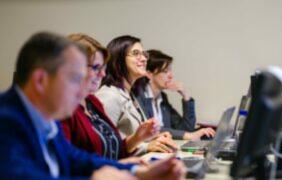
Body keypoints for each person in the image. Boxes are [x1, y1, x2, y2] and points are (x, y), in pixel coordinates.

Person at [0, 32, 185, 179]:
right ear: (41, 81)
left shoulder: (45, 115)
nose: (81, 90)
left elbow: (76, 159)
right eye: (75, 79)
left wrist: (136, 170)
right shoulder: (6, 120)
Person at [61, 33, 159, 161]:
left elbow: (112, 149)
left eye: (103, 67)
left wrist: (137, 138)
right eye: (96, 67)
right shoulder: (106, 96)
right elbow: (71, 164)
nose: (102, 74)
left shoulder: (93, 102)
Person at [95, 35, 177, 153]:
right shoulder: (109, 96)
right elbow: (104, 146)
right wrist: (147, 147)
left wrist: (155, 138)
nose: (144, 59)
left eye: (144, 54)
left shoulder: (130, 94)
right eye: (136, 53)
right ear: (119, 59)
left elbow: (131, 136)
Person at [134, 49, 215, 140]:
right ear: (149, 74)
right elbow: (150, 130)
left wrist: (185, 96)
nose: (171, 76)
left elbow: (186, 128)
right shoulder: (138, 96)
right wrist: (188, 135)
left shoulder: (162, 98)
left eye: (170, 71)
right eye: (165, 71)